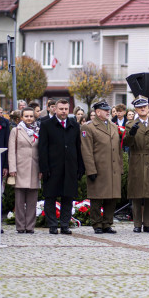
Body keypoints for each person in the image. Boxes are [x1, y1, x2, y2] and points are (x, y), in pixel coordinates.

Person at [38, 99, 83, 234]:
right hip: (52, 167)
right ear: (55, 109)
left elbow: (78, 147)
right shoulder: (46, 125)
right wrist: (44, 168)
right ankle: (52, 225)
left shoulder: (74, 125)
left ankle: (64, 224)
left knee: (68, 197)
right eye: (61, 109)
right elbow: (42, 148)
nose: (63, 111)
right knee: (50, 197)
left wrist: (80, 167)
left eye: (65, 109)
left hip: (70, 167)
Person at [81, 100, 124, 234]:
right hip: (99, 168)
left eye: (108, 109)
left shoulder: (112, 125)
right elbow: (86, 150)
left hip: (113, 168)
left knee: (112, 198)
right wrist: (91, 169)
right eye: (105, 110)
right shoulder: (89, 127)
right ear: (97, 112)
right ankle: (97, 224)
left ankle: (107, 223)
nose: (108, 112)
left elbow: (118, 149)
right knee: (97, 198)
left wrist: (120, 168)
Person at [124, 97, 149, 232]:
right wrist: (131, 134)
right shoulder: (130, 124)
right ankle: (137, 224)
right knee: (136, 193)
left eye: (144, 107)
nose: (143, 109)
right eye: (140, 107)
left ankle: (148, 223)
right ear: (136, 110)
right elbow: (126, 144)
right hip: (137, 159)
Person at [8, 107, 40, 234]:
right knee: (20, 200)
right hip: (20, 167)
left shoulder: (38, 130)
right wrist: (12, 168)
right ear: (21, 117)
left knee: (32, 200)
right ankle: (20, 226)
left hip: (34, 167)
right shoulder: (16, 131)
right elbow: (11, 150)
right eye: (26, 116)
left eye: (31, 116)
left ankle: (30, 226)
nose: (29, 119)